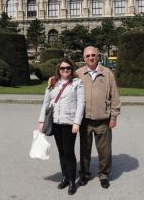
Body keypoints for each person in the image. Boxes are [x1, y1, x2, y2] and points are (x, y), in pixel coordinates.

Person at [38, 58, 85, 195]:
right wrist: (41, 121)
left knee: (69, 152)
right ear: (58, 70)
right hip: (56, 122)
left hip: (69, 122)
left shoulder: (77, 83)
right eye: (62, 68)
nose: (65, 70)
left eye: (68, 68)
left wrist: (77, 122)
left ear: (71, 69)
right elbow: (46, 104)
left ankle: (71, 181)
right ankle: (65, 176)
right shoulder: (53, 83)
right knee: (61, 151)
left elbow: (81, 104)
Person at [76, 46, 121, 189]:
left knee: (105, 151)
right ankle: (84, 174)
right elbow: (65, 84)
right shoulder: (78, 74)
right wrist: (53, 80)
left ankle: (104, 175)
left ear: (98, 56)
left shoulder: (107, 73)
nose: (91, 58)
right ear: (84, 58)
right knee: (84, 149)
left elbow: (115, 97)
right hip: (84, 120)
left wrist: (113, 117)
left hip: (103, 120)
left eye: (93, 55)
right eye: (88, 56)